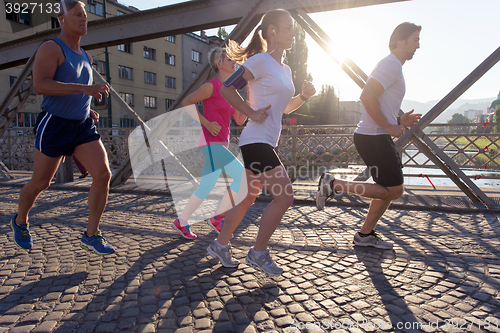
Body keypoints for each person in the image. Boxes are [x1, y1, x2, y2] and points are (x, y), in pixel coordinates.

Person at [206, 9, 315, 276]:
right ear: (272, 31)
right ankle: (259, 252)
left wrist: (302, 96)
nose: (293, 32)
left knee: (245, 199)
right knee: (285, 196)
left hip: (267, 141)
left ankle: (220, 245)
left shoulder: (285, 68)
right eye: (288, 27)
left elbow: (284, 108)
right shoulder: (260, 61)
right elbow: (227, 87)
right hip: (256, 141)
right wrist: (251, 112)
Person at [9, 0, 114, 255]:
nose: (84, 19)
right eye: (77, 14)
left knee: (103, 175)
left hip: (82, 127)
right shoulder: (51, 48)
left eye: (85, 15)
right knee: (41, 182)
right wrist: (84, 89)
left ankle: (91, 234)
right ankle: (20, 220)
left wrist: (86, 107)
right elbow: (41, 86)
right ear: (62, 18)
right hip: (54, 124)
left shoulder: (87, 57)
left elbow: (78, 90)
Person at [316, 22, 422, 249]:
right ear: (400, 41)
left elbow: (379, 103)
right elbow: (366, 97)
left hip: (374, 135)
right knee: (395, 190)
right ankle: (333, 184)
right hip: (373, 136)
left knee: (386, 190)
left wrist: (397, 122)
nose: (418, 46)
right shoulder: (391, 65)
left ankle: (365, 235)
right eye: (415, 40)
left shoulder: (392, 65)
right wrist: (389, 126)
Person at [171, 47, 247, 239]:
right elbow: (186, 102)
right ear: (218, 64)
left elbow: (239, 119)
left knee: (205, 187)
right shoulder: (211, 86)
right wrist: (206, 122)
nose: (233, 63)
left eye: (234, 60)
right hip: (210, 143)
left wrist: (248, 99)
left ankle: (181, 222)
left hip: (221, 144)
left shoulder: (232, 90)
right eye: (229, 60)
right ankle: (217, 217)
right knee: (242, 177)